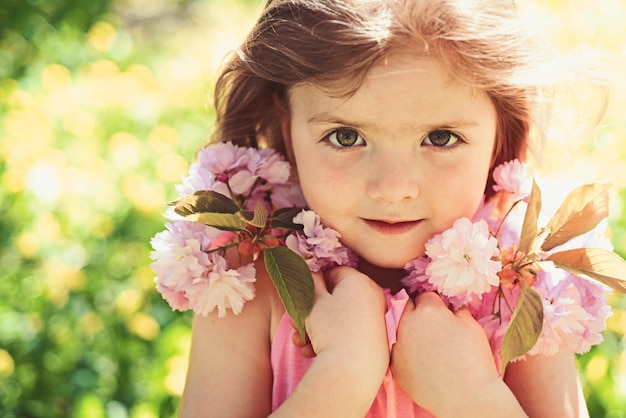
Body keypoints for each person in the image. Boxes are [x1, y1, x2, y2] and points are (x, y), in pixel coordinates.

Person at [175, 0, 608, 416]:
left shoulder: (517, 285)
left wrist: (474, 399)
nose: (393, 190)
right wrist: (343, 373)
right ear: (288, 131)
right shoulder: (249, 276)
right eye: (346, 137)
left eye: (440, 138)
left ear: (500, 135)